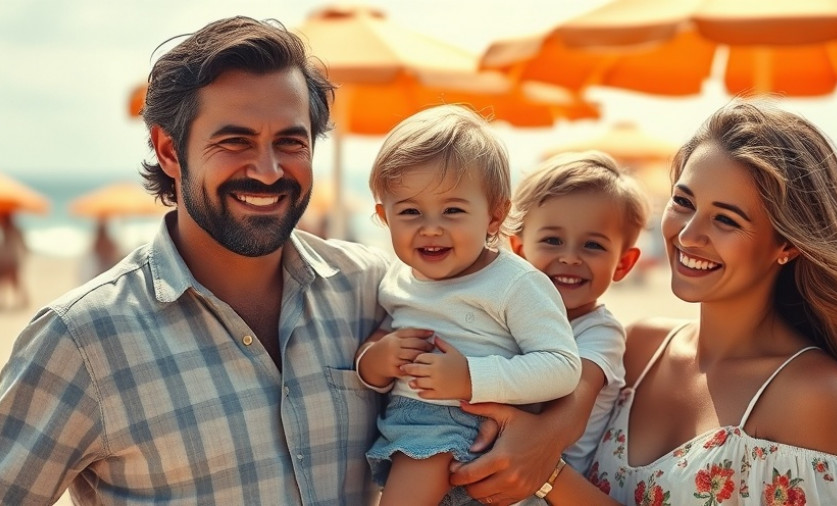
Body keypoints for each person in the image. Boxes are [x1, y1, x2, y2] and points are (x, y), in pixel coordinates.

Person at [0, 16, 391, 504]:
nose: (268, 171)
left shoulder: (373, 289)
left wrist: (517, 435)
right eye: (235, 141)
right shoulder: (81, 340)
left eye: (290, 142)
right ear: (169, 150)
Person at [449, 99, 837, 505]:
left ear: (788, 244)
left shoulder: (810, 392)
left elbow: (547, 465)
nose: (686, 235)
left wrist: (547, 473)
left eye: (725, 219)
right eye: (683, 202)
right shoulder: (638, 347)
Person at [355, 104, 581, 505]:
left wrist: (471, 378)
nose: (431, 227)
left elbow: (562, 367)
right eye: (409, 211)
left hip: (467, 424)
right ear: (384, 217)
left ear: (495, 216)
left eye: (453, 210)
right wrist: (376, 361)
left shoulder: (515, 283)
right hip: (408, 423)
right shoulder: (396, 280)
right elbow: (375, 345)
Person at [506, 151, 649, 480]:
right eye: (552, 240)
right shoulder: (507, 315)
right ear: (519, 248)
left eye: (593, 246)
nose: (570, 258)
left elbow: (568, 418)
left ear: (624, 264)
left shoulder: (599, 333)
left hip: (546, 489)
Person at [0, 212, 28, 310]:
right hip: (4, 260)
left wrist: (24, 256)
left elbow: (23, 245)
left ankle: (25, 301)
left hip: (11, 260)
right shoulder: (3, 230)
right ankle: (4, 302)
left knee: (15, 282)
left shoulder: (15, 230)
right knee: (6, 282)